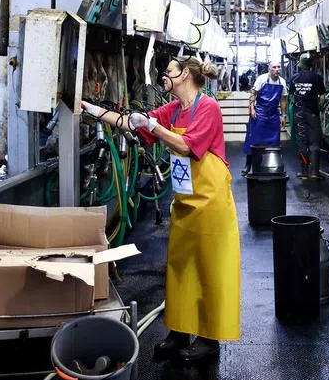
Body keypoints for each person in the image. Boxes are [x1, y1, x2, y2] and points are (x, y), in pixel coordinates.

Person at [80, 56, 240, 363]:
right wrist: (93, 110)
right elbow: (131, 122)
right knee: (180, 267)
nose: (162, 75)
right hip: (185, 200)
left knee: (209, 267)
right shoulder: (173, 109)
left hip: (212, 201)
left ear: (186, 76)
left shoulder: (208, 107)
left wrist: (155, 127)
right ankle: (179, 331)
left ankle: (208, 339)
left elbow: (187, 146)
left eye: (168, 71)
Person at [242, 60, 287, 176]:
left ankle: (273, 165)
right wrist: (251, 107)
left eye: (278, 67)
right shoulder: (262, 79)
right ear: (269, 69)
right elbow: (253, 93)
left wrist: (283, 115)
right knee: (253, 140)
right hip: (260, 114)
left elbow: (283, 100)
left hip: (273, 115)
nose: (277, 69)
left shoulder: (282, 82)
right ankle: (248, 165)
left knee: (274, 142)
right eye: (274, 67)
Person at [290, 54, 327, 180]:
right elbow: (322, 97)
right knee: (314, 142)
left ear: (301, 64)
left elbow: (291, 96)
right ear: (311, 64)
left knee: (301, 142)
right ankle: (314, 172)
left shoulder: (294, 78)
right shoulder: (317, 78)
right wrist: (320, 108)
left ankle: (304, 172)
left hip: (298, 113)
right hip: (312, 113)